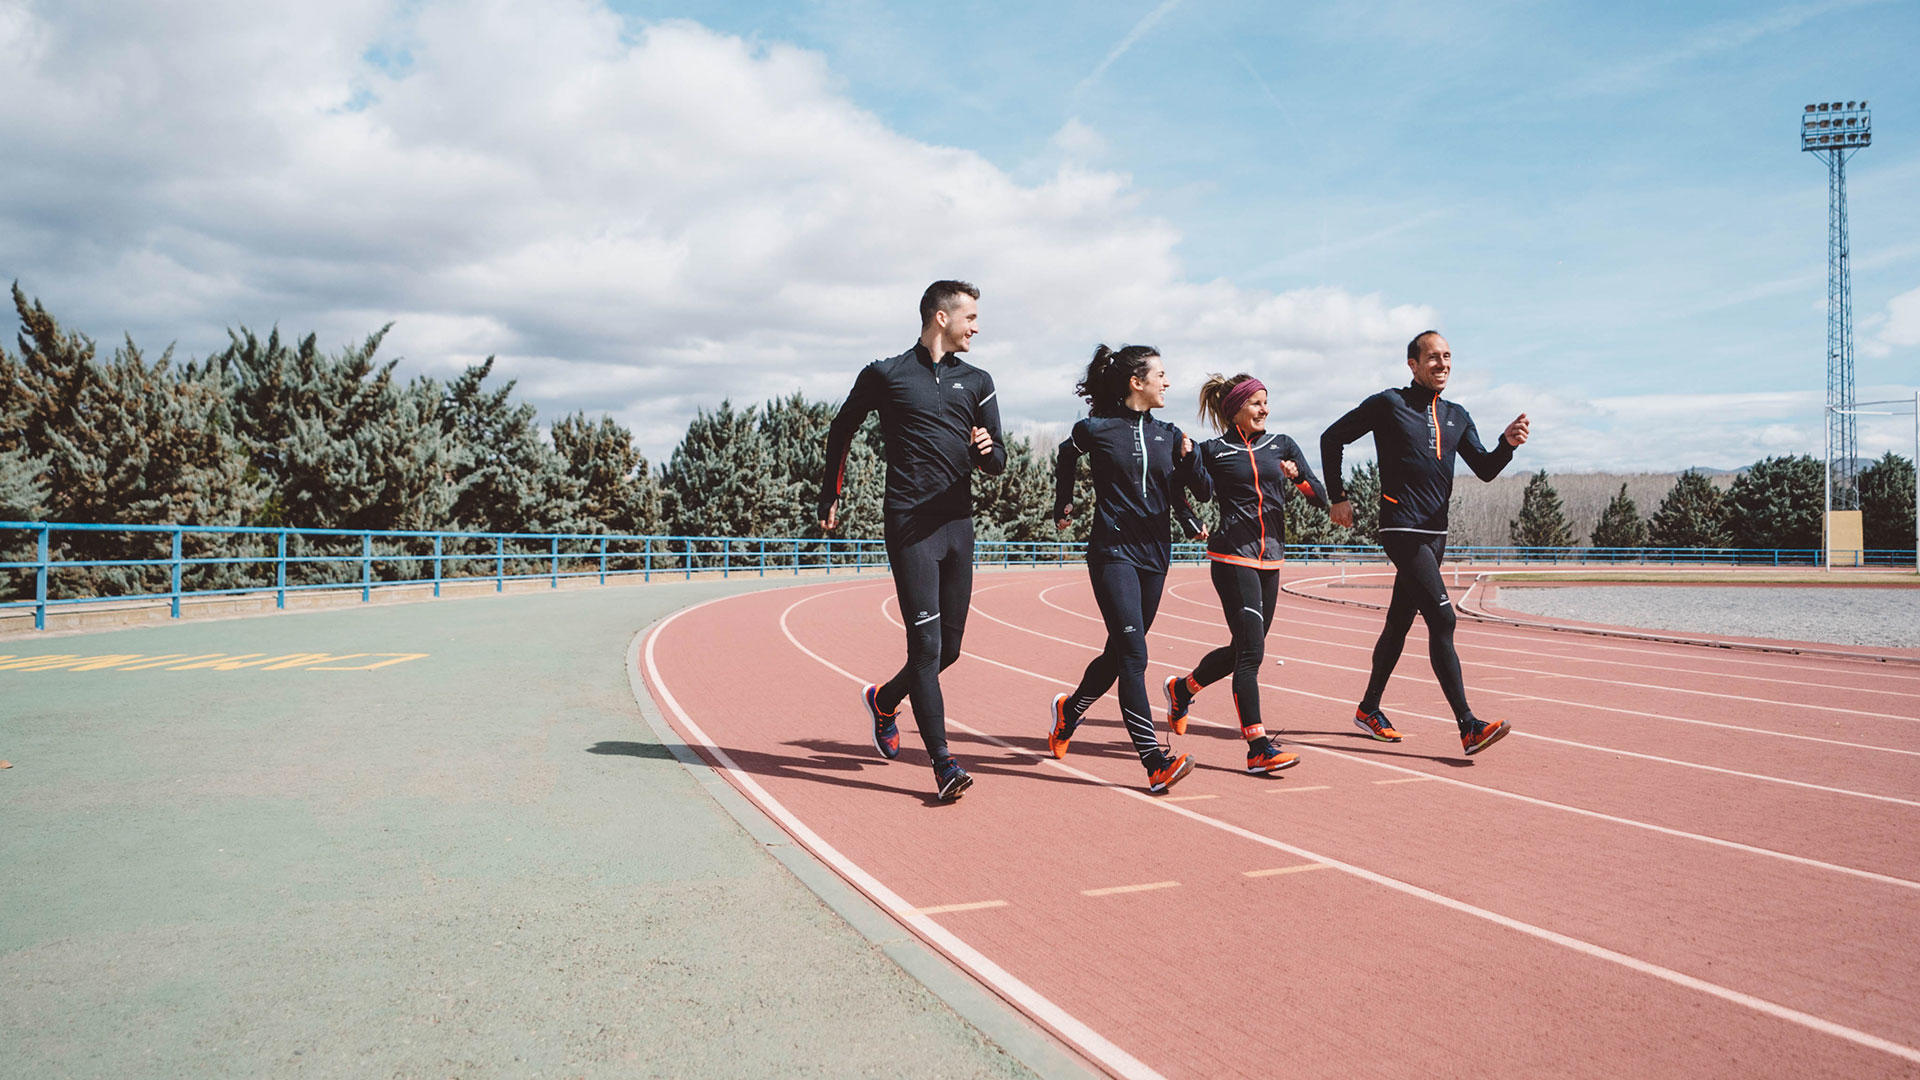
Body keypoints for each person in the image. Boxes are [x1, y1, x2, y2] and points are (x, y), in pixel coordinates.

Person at [819, 281, 1006, 801]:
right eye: (970, 316)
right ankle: (943, 764)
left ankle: (884, 700)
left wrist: (988, 451)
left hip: (958, 526)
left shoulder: (979, 380)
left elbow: (998, 464)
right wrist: (829, 495)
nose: (976, 326)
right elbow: (842, 428)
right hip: (909, 526)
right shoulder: (887, 374)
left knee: (949, 649)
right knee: (924, 646)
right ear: (940, 317)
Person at [1320, 330, 1530, 756]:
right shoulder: (1389, 404)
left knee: (1399, 623)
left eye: (1448, 356)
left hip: (1437, 535)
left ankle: (1368, 709)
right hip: (1401, 528)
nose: (1442, 364)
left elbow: (1486, 469)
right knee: (1444, 621)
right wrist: (1338, 497)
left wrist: (1506, 446)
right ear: (1413, 365)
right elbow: (1331, 438)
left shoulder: (1457, 415)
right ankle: (1468, 725)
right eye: (1432, 357)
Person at [1046, 345, 1209, 793]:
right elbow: (1065, 455)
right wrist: (1064, 501)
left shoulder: (1170, 434)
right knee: (1135, 657)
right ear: (1136, 382)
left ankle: (1070, 711)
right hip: (1112, 551)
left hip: (1156, 554)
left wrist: (1191, 468)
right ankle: (1154, 762)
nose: (1167, 382)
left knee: (1119, 655)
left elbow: (1196, 489)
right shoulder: (1095, 429)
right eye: (1160, 374)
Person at [1162, 373, 1328, 774]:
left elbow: (1319, 498)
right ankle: (1257, 747)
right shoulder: (1212, 451)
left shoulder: (1282, 445)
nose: (1264, 409)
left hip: (1270, 560)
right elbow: (1180, 488)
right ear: (1234, 408)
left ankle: (1183, 689)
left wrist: (1298, 478)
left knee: (1243, 649)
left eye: (1266, 402)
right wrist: (1188, 515)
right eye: (1256, 403)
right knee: (1252, 652)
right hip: (1232, 558)